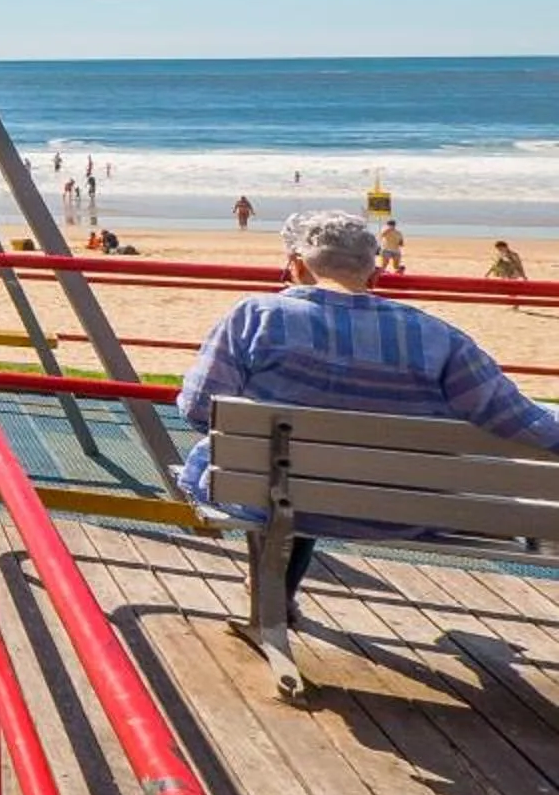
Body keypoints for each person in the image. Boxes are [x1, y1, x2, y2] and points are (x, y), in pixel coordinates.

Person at [178, 210, 559, 624]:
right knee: (306, 475)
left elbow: (199, 408)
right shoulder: (438, 337)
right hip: (399, 513)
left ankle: (271, 599)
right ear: (374, 272)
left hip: (265, 496)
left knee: (290, 475)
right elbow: (518, 419)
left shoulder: (254, 317)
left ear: (297, 265)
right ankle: (278, 589)